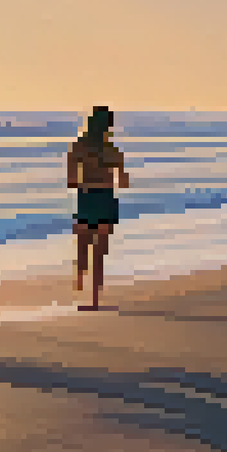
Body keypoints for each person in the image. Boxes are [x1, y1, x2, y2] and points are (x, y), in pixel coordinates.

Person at [67, 106, 129, 311]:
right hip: (105, 198)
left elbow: (71, 178)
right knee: (100, 251)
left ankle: (80, 272)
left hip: (87, 197)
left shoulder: (80, 146)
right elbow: (123, 180)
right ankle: (94, 299)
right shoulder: (111, 149)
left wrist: (79, 179)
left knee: (83, 241)